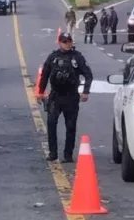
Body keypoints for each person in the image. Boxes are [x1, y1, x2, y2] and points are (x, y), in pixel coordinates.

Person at [37, 33, 93, 162]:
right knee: (51, 125)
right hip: (55, 96)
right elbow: (44, 75)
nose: (67, 44)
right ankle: (53, 153)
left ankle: (68, 155)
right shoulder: (53, 57)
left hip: (71, 96)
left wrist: (86, 92)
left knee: (71, 127)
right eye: (64, 41)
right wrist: (40, 91)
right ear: (59, 42)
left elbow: (88, 75)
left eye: (69, 41)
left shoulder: (77, 57)